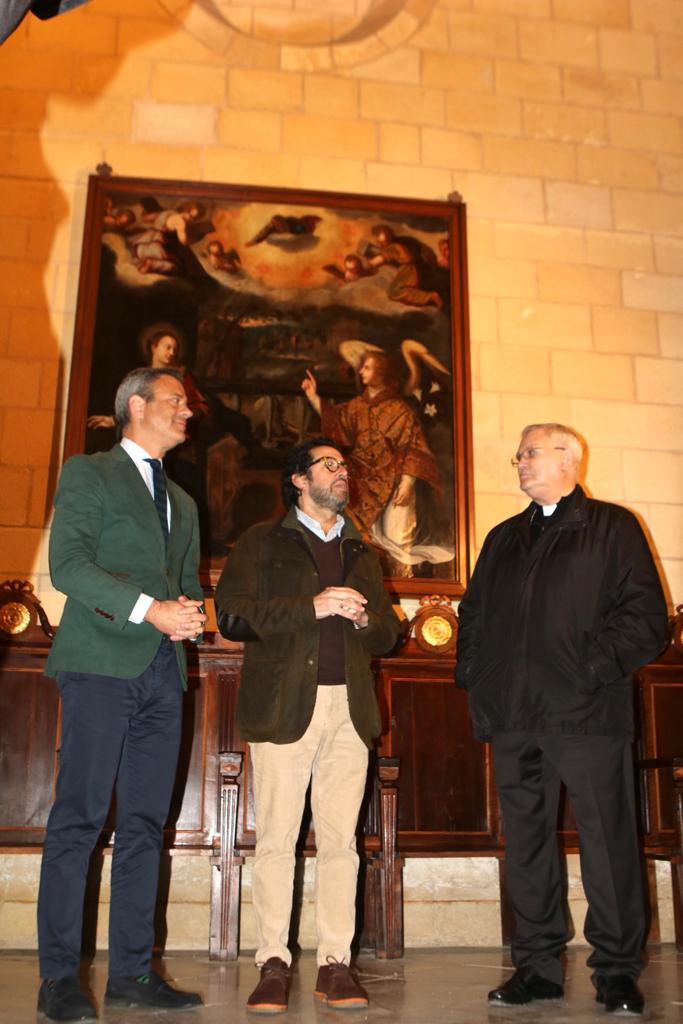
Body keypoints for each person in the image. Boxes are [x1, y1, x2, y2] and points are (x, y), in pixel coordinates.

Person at [455, 423, 668, 1015]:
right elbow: (472, 615)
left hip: (587, 713)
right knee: (525, 844)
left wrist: (588, 668)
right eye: (519, 454)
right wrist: (476, 671)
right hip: (514, 716)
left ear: (569, 459)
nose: (519, 462)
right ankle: (537, 966)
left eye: (531, 452)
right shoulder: (501, 538)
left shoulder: (612, 527)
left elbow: (646, 618)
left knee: (608, 841)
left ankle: (618, 971)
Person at [37, 367, 207, 1021]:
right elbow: (69, 566)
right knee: (78, 819)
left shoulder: (185, 503)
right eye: (175, 402)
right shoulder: (90, 472)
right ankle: (58, 980)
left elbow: (183, 581)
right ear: (137, 406)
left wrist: (188, 614)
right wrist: (150, 610)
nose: (186, 412)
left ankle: (132, 973)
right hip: (99, 665)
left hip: (164, 674)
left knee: (143, 827)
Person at [215, 437, 400, 1014]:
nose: (343, 474)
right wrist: (312, 606)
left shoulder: (362, 551)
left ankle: (335, 963)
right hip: (282, 706)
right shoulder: (261, 542)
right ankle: (273, 961)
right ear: (299, 479)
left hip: (351, 710)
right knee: (276, 840)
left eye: (345, 465)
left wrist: (368, 616)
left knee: (342, 842)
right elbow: (232, 615)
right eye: (330, 465)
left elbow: (391, 636)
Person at [301, 351, 452, 576]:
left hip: (393, 477)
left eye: (368, 368)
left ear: (381, 372)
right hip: (359, 474)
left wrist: (407, 482)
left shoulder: (400, 410)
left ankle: (403, 577)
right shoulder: (356, 406)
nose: (361, 371)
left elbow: (413, 446)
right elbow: (336, 422)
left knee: (396, 530)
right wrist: (313, 397)